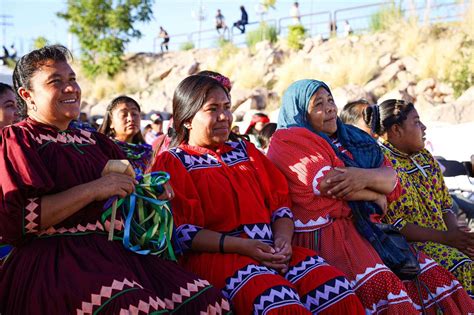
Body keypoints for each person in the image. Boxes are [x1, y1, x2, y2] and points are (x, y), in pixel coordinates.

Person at [0, 45, 230, 314]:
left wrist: (146, 191)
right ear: (27, 95)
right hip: (55, 258)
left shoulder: (96, 142)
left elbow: (122, 197)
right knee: (135, 308)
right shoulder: (18, 140)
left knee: (208, 302)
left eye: (72, 79)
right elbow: (18, 221)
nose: (70, 88)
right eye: (56, 82)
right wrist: (94, 189)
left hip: (113, 252)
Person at [151, 75, 365, 314]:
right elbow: (182, 232)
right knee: (278, 303)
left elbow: (280, 205)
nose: (224, 116)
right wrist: (244, 247)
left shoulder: (246, 151)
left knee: (336, 290)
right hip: (219, 257)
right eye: (212, 109)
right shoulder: (173, 162)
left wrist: (284, 240)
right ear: (188, 119)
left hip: (269, 250)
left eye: (227, 107)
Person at [267, 79, 474, 313]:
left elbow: (393, 183)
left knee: (433, 277)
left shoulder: (353, 140)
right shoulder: (288, 140)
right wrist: (375, 195)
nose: (330, 109)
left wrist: (360, 177)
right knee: (383, 285)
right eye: (318, 105)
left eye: (331, 101)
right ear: (300, 111)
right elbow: (330, 183)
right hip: (327, 239)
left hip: (367, 231)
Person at [364, 99, 474, 297]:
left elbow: (445, 204)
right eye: (416, 122)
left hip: (444, 237)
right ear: (396, 130)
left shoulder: (423, 156)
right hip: (411, 247)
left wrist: (457, 236)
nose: (424, 127)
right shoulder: (381, 165)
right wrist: (448, 239)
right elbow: (397, 225)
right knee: (464, 266)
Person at [98, 96, 154, 176]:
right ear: (111, 122)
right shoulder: (103, 150)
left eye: (134, 114)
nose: (131, 119)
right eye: (124, 115)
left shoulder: (149, 152)